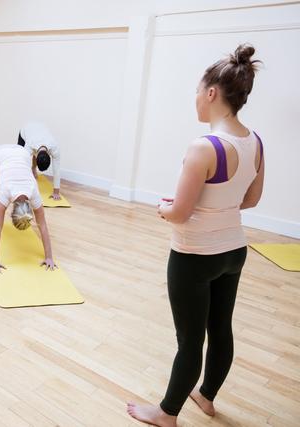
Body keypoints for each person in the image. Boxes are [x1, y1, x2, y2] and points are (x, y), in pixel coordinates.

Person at [127, 44, 264, 427]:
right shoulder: (255, 142)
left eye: (196, 93)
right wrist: (212, 205)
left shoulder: (203, 147)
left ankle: (166, 414)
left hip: (194, 256)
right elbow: (250, 199)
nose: (195, 101)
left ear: (210, 93)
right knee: (221, 329)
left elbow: (180, 213)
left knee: (189, 340)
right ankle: (205, 397)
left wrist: (163, 207)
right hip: (234, 250)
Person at [0, 144, 57, 273]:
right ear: (11, 211)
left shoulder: (33, 191)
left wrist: (49, 258)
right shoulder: (5, 192)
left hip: (22, 153)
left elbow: (42, 225)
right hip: (0, 153)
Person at [18, 122, 62, 200]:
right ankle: (31, 170)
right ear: (36, 156)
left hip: (39, 130)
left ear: (49, 154)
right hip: (26, 129)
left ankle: (33, 169)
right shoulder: (29, 146)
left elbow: (57, 170)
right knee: (19, 157)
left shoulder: (55, 148)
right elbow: (22, 164)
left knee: (36, 151)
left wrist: (56, 192)